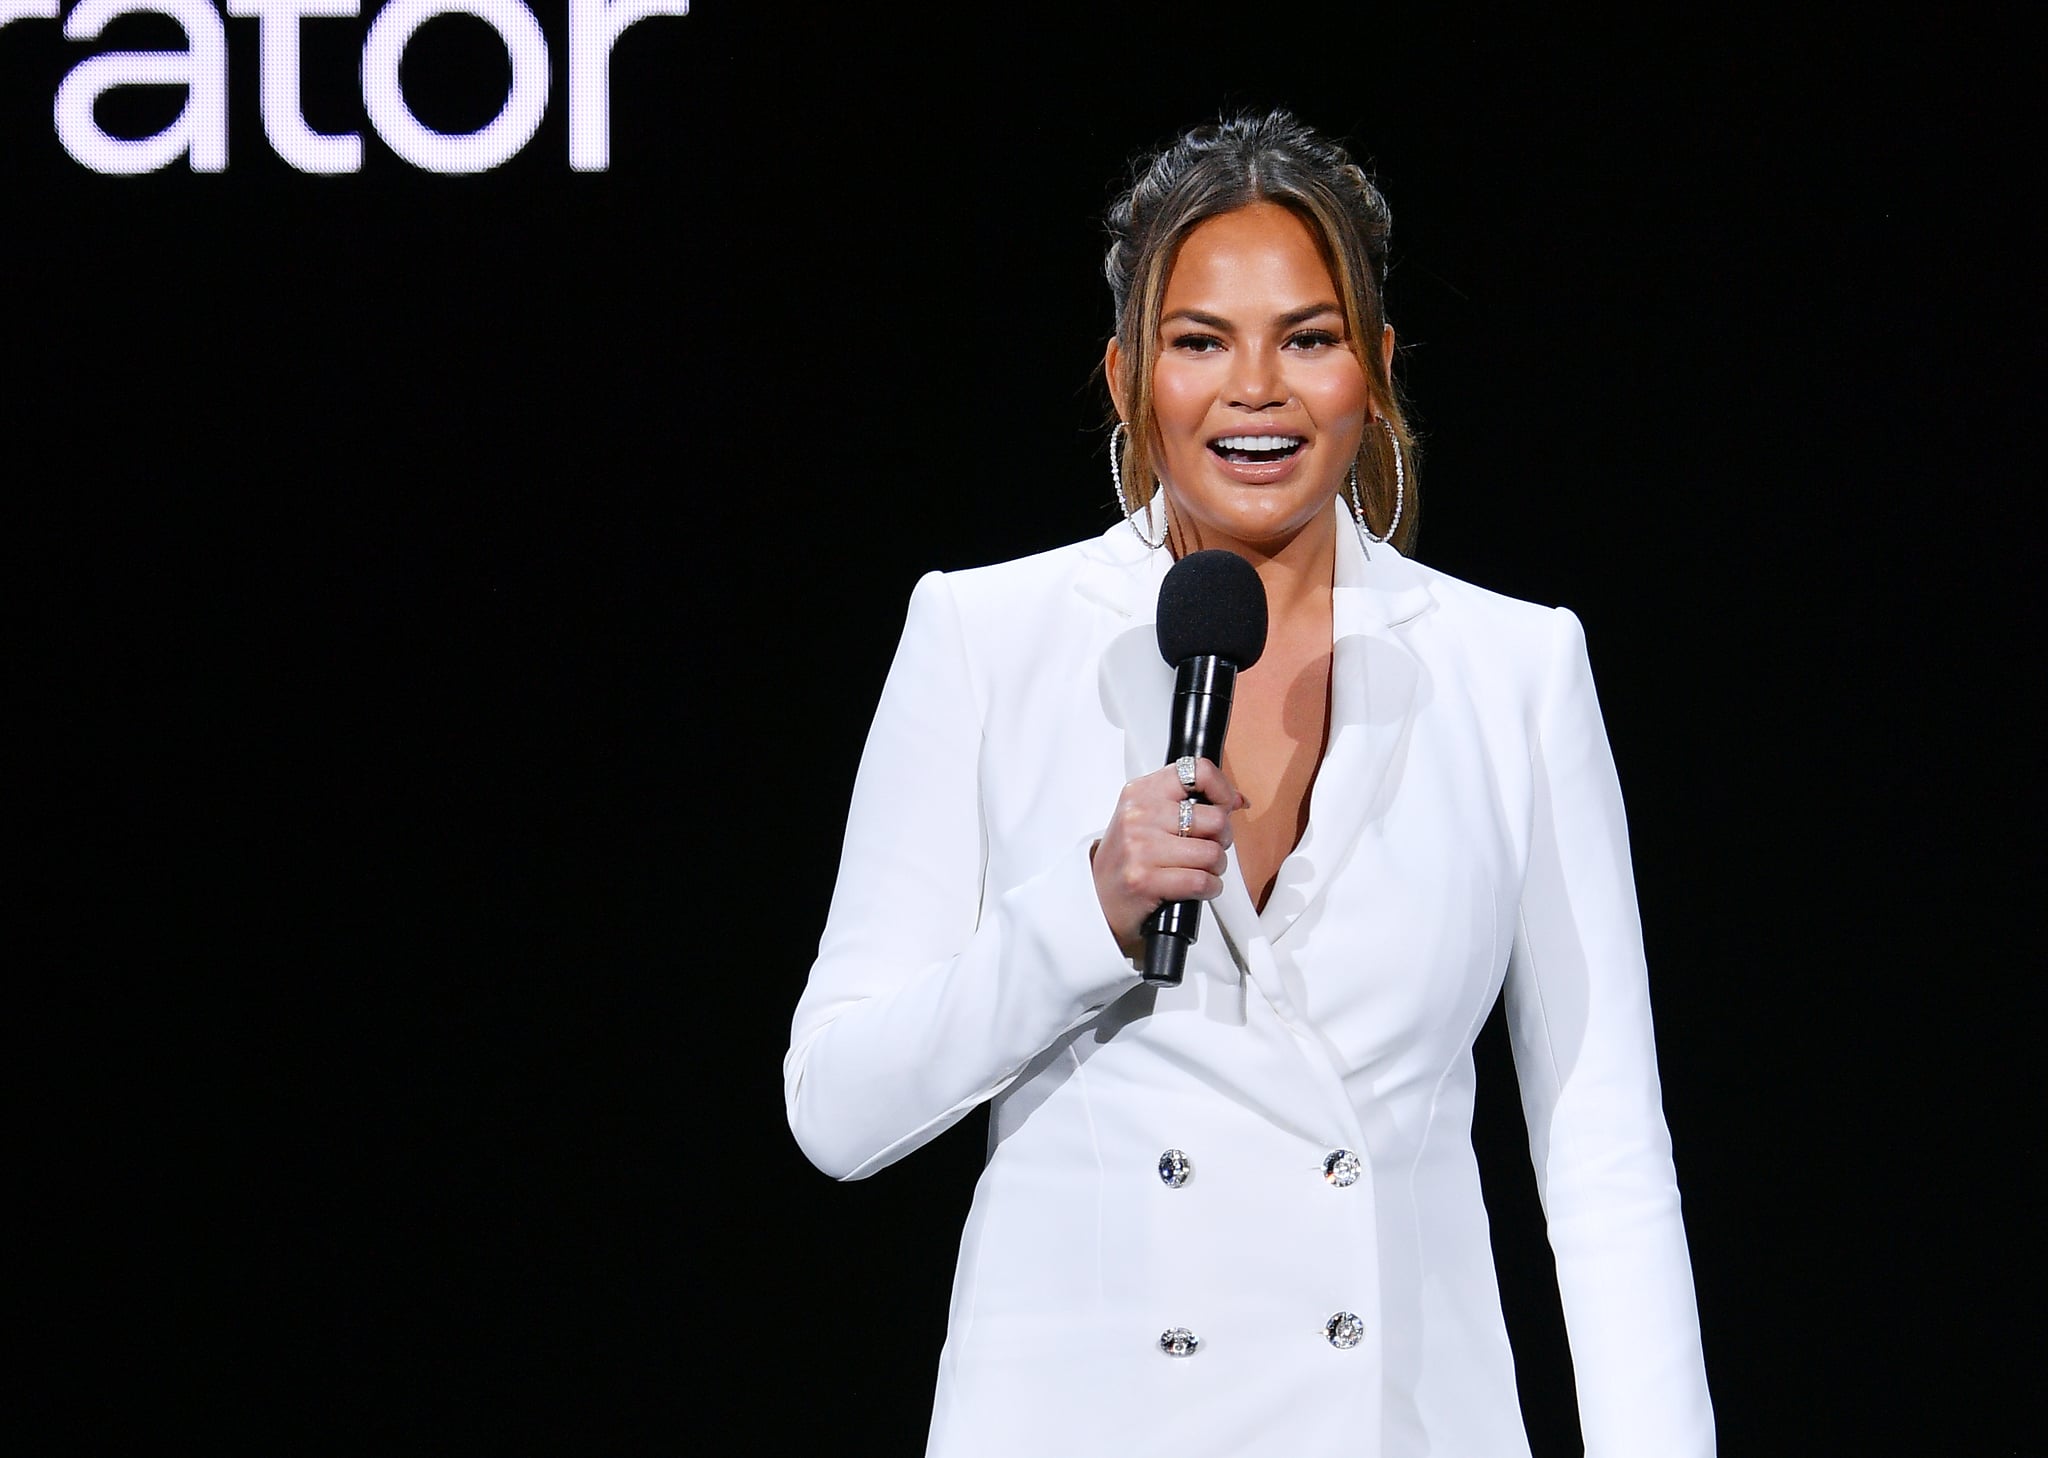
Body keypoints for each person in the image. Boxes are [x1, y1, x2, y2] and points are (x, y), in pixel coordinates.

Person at [783, 110, 1713, 1457]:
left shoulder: (1516, 666)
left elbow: (1604, 1154)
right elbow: (838, 1104)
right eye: (1200, 339)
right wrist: (1080, 916)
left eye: (1311, 337)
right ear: (1126, 377)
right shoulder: (985, 637)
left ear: (1377, 370)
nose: (1256, 388)